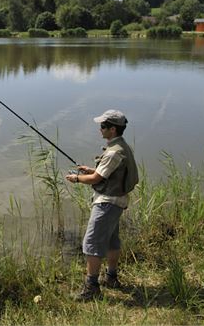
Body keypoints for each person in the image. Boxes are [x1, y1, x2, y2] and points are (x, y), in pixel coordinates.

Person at [65, 109, 139, 301]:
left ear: (113, 129)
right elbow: (109, 172)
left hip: (107, 203)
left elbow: (97, 178)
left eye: (103, 126)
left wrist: (78, 178)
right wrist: (90, 169)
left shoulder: (114, 152)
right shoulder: (122, 147)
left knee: (91, 243)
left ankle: (92, 288)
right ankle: (111, 278)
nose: (100, 129)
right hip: (117, 202)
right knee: (112, 240)